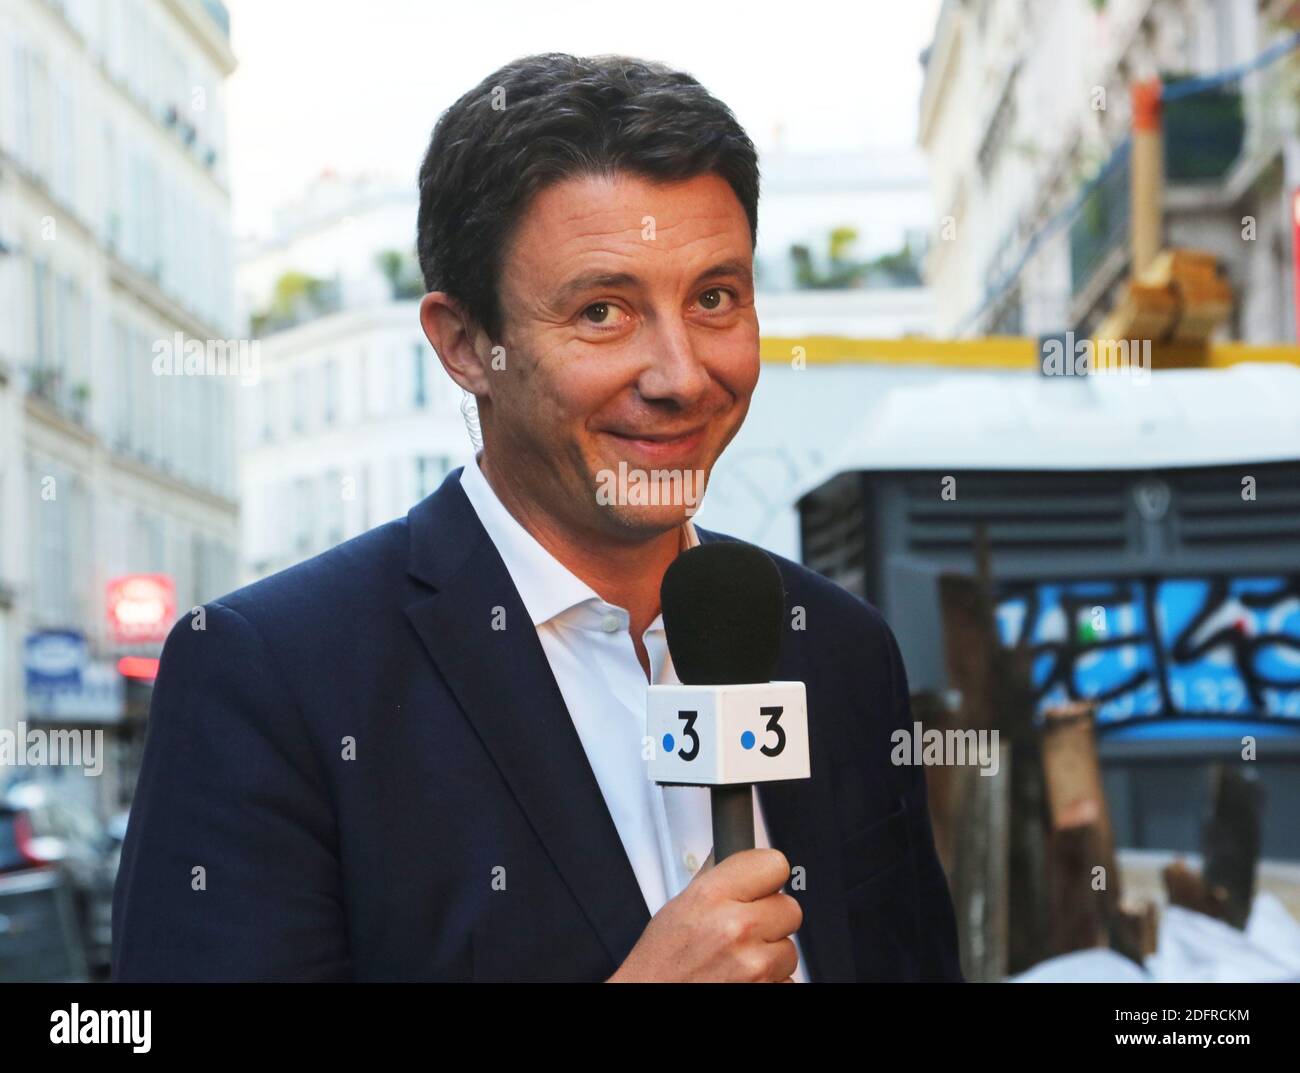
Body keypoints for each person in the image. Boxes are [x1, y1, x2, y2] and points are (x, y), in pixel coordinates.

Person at [112, 53, 962, 983]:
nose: (681, 375)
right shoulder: (275, 679)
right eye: (603, 311)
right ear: (468, 345)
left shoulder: (839, 652)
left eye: (714, 298)